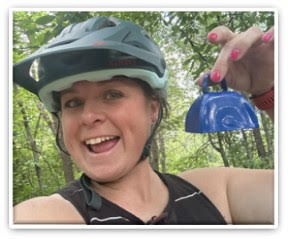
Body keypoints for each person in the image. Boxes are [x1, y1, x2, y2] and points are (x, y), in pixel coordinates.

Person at [13, 16, 274, 225]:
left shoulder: (217, 192)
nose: (88, 116)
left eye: (112, 94)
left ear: (152, 109)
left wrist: (270, 90)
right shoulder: (43, 217)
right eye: (72, 103)